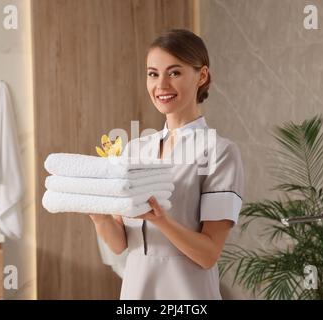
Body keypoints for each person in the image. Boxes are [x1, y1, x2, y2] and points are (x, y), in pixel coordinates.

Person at [89, 29, 244, 299]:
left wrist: (161, 220)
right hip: (136, 292)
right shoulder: (135, 149)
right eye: (153, 73)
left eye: (174, 73)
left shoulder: (219, 152)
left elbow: (208, 255)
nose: (161, 85)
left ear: (202, 76)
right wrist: (98, 214)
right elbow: (120, 245)